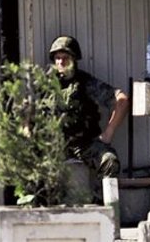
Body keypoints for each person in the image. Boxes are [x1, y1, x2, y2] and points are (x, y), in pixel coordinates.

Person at [46, 36, 129, 187]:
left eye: (65, 57)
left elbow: (121, 100)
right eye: (57, 58)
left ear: (74, 59)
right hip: (54, 146)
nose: (60, 62)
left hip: (84, 145)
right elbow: (27, 108)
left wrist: (108, 133)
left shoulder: (85, 83)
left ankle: (107, 205)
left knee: (109, 161)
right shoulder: (45, 83)